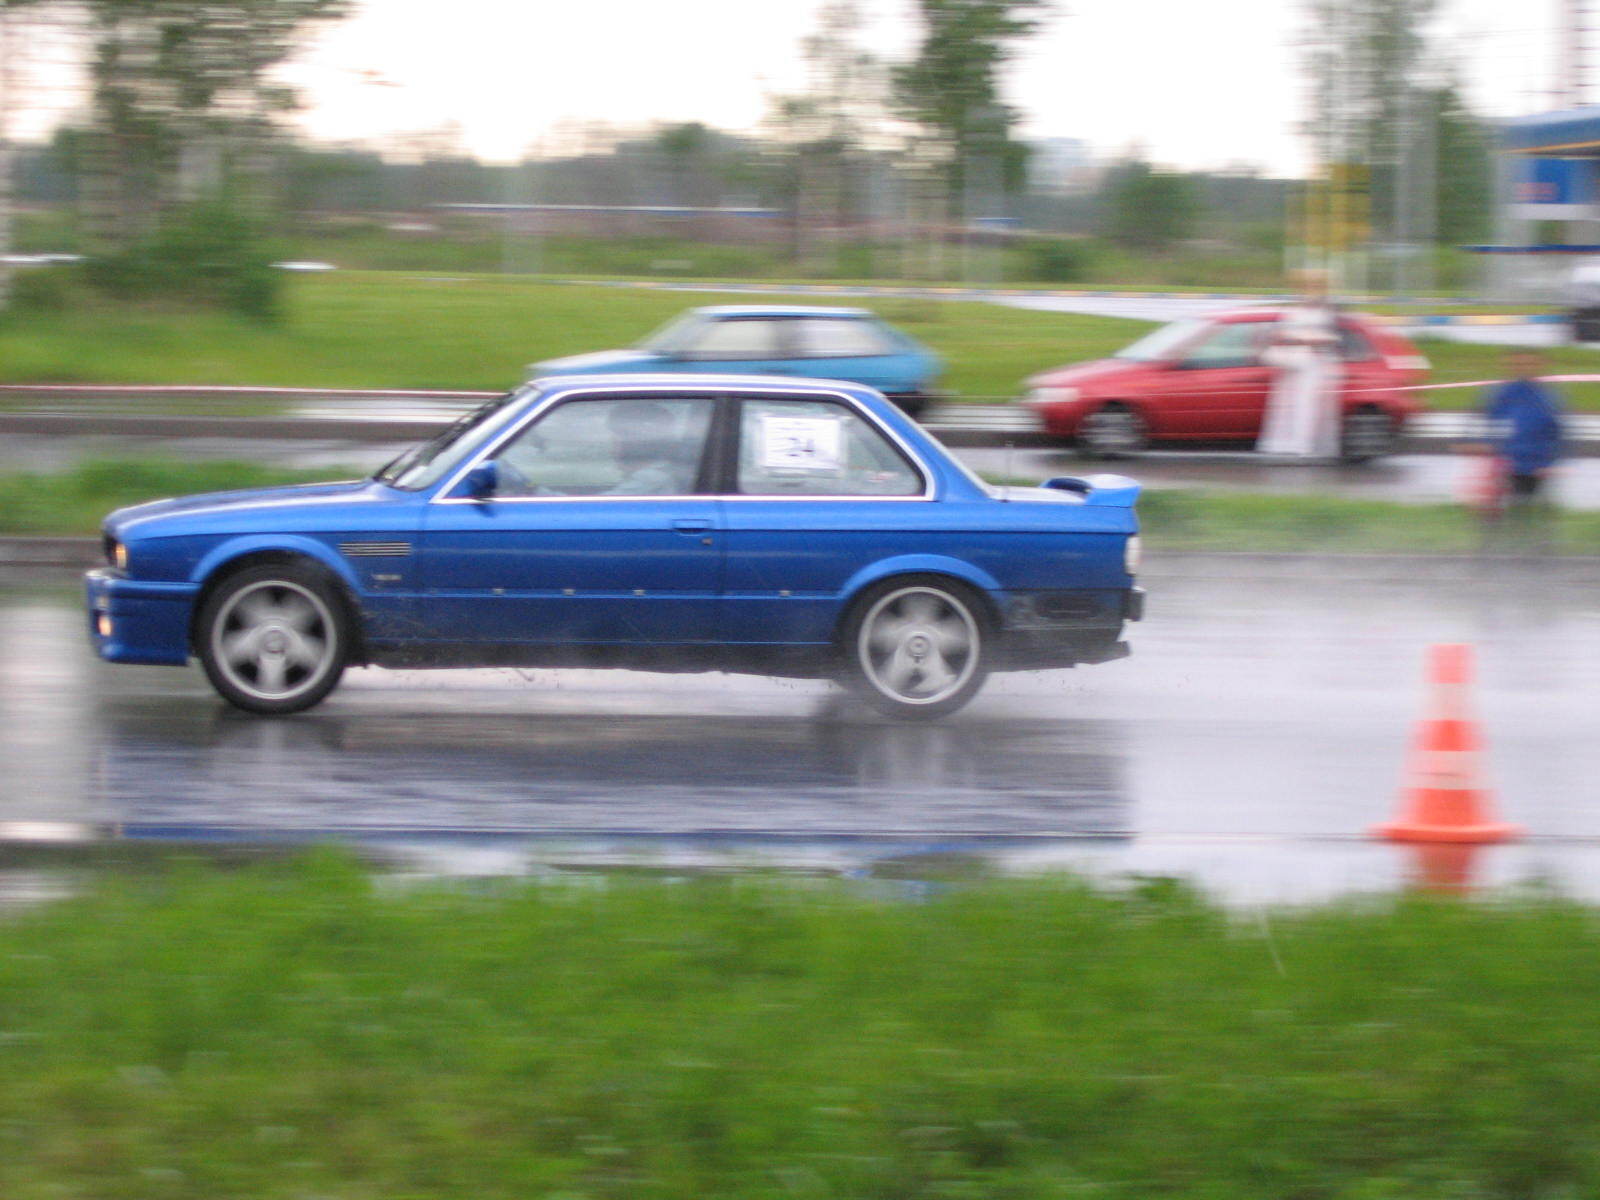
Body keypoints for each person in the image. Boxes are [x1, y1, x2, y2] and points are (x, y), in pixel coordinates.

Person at [1473, 351, 1565, 539]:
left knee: (1535, 504)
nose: (1524, 369)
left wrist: (1554, 460)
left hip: (1538, 460)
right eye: (1519, 365)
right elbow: (1490, 420)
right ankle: (1497, 541)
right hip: (1509, 460)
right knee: (1505, 503)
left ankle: (1539, 541)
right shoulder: (1504, 393)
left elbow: (1557, 428)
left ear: (1539, 366)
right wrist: (1486, 445)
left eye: (1529, 365)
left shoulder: (1546, 396)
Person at [1258, 269, 1342, 459]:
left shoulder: (1326, 311)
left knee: (1306, 404)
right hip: (1291, 363)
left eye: (1314, 285)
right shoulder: (1291, 310)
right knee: (1286, 404)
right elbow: (1278, 334)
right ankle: (1284, 442)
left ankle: (1302, 444)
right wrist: (1292, 338)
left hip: (1314, 364)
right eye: (1306, 285)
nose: (1309, 290)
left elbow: (1332, 339)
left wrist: (1308, 340)